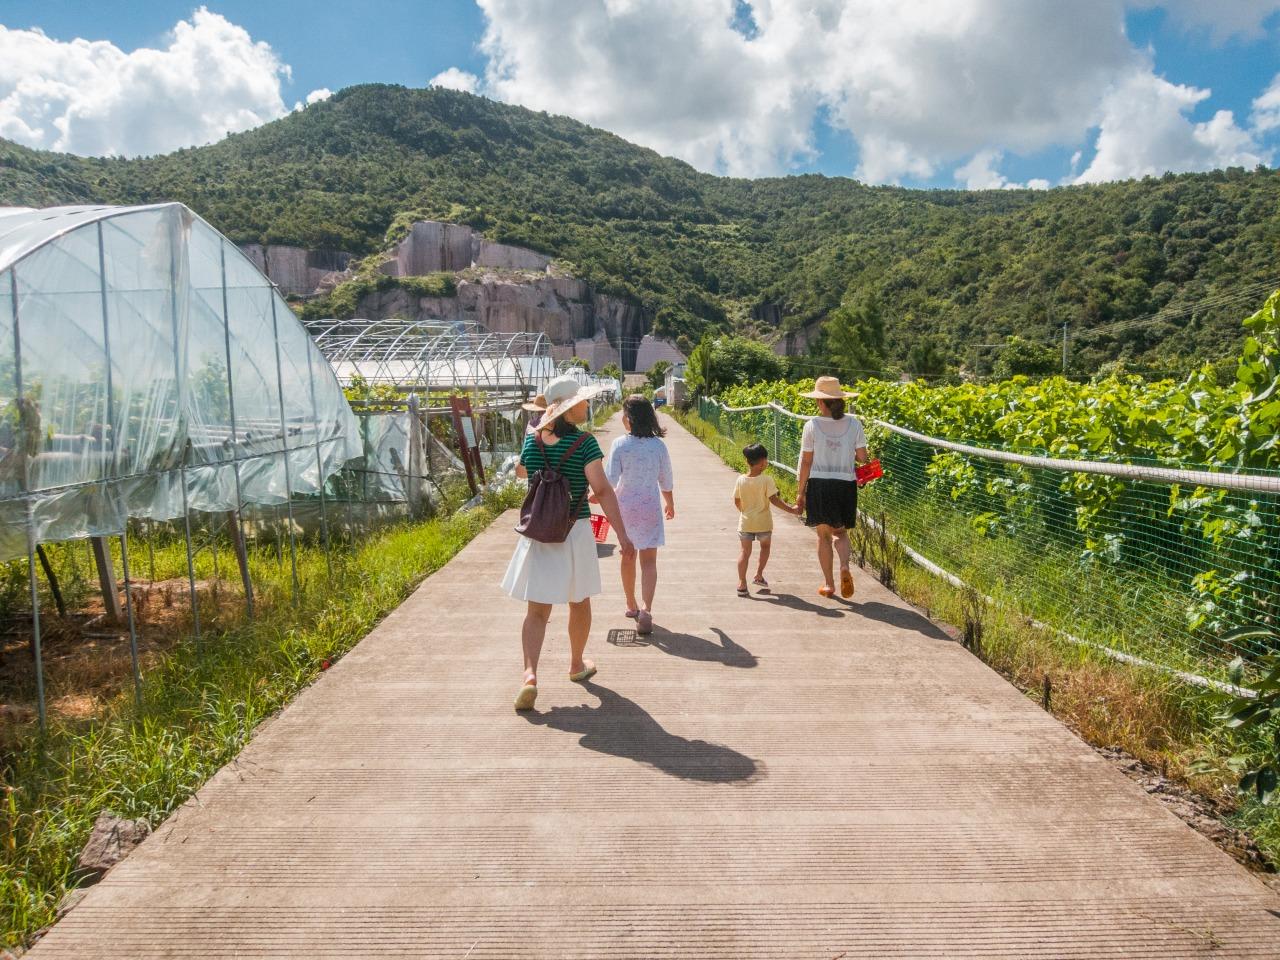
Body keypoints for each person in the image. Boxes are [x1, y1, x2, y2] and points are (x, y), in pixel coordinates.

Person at [502, 375, 635, 712]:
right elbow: (602, 490)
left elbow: (520, 472)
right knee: (579, 601)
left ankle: (529, 675)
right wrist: (622, 534)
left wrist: (536, 439)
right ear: (568, 408)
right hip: (573, 529)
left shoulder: (532, 441)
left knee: (536, 610)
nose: (587, 405)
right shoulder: (585, 443)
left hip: (539, 529)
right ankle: (576, 663)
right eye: (582, 401)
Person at [603, 394, 674, 634]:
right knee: (650, 561)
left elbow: (610, 479)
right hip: (650, 506)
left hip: (625, 509)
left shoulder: (620, 445)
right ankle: (647, 608)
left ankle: (631, 604)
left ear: (629, 419)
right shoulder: (658, 446)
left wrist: (596, 496)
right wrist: (670, 503)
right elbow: (666, 480)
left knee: (627, 556)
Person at [795, 376, 870, 599]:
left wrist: (801, 492)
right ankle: (845, 566)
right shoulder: (854, 424)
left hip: (820, 484)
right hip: (845, 484)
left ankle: (829, 584)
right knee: (841, 532)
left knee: (823, 536)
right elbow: (862, 457)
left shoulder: (812, 425)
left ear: (820, 402)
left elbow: (806, 461)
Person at [733, 442, 799, 596]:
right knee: (765, 547)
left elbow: (736, 500)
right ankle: (759, 574)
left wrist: (744, 511)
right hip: (763, 522)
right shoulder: (766, 480)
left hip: (746, 522)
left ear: (747, 461)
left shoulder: (740, 480)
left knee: (744, 552)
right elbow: (774, 499)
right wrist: (791, 510)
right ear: (763, 462)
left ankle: (742, 584)